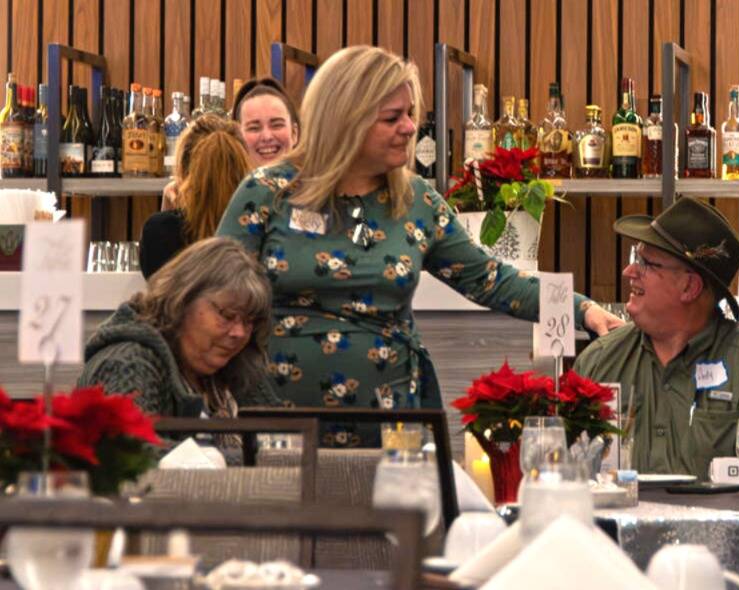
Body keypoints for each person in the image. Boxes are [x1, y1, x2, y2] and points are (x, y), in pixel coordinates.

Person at [216, 45, 622, 447]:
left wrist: (582, 309)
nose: (410, 127)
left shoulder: (416, 201)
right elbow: (215, 290)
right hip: (277, 425)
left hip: (391, 425)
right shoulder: (267, 191)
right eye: (393, 117)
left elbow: (492, 279)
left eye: (410, 113)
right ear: (346, 122)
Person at [573, 197, 739, 479]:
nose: (629, 272)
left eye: (646, 263)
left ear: (689, 286)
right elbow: (566, 480)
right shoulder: (598, 361)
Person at [79, 237, 280, 418]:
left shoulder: (239, 364)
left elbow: (278, 435)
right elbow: (131, 445)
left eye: (249, 321)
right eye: (227, 316)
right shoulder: (127, 365)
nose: (240, 333)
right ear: (182, 301)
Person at [161, 78, 300, 211]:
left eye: (277, 125)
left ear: (295, 133)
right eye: (254, 128)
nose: (267, 137)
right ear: (236, 137)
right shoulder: (215, 199)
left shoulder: (310, 194)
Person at [141, 116, 252, 278]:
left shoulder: (160, 229)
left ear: (184, 169)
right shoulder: (258, 226)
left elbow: (159, 284)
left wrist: (168, 210)